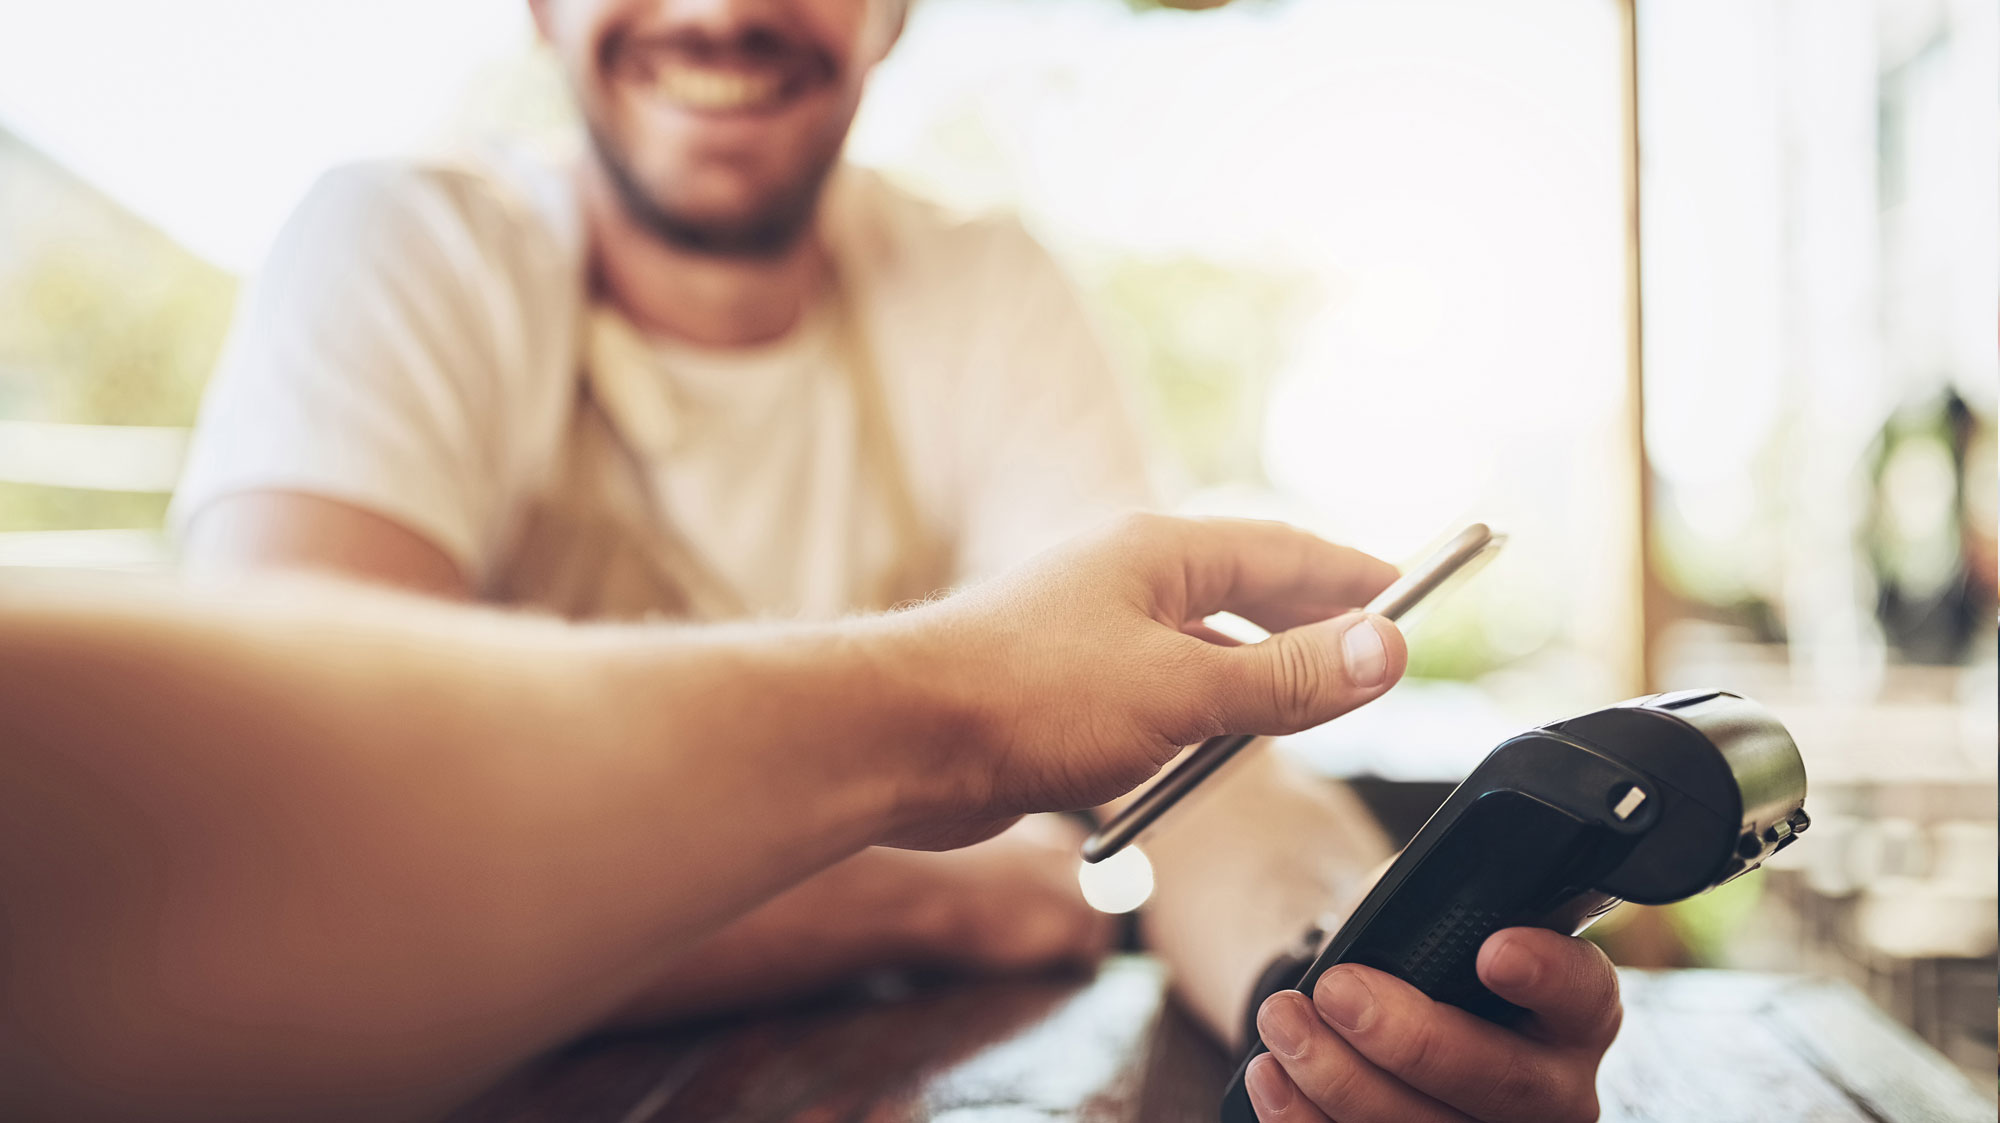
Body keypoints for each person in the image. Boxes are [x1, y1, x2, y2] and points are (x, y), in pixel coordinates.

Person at [169, 1, 1623, 1119]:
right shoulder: (404, 248)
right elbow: (302, 867)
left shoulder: (979, 287)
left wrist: (1343, 994)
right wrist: (946, 896)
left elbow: (1189, 769)